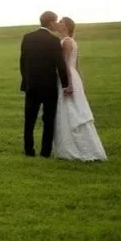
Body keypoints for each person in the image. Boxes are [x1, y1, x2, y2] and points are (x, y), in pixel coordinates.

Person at [53, 17, 107, 161]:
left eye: (60, 23)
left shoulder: (66, 42)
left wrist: (68, 84)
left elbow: (65, 65)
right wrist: (81, 84)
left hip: (68, 77)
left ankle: (73, 148)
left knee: (69, 110)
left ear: (66, 27)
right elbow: (77, 66)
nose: (58, 25)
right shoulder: (72, 41)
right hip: (74, 77)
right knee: (73, 108)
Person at [19, 11, 70, 157]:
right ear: (50, 23)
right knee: (48, 120)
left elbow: (23, 62)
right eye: (55, 21)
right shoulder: (53, 41)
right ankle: (45, 151)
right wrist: (66, 84)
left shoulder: (27, 38)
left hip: (32, 85)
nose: (56, 24)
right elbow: (60, 65)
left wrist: (26, 80)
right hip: (49, 86)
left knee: (29, 119)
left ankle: (29, 150)